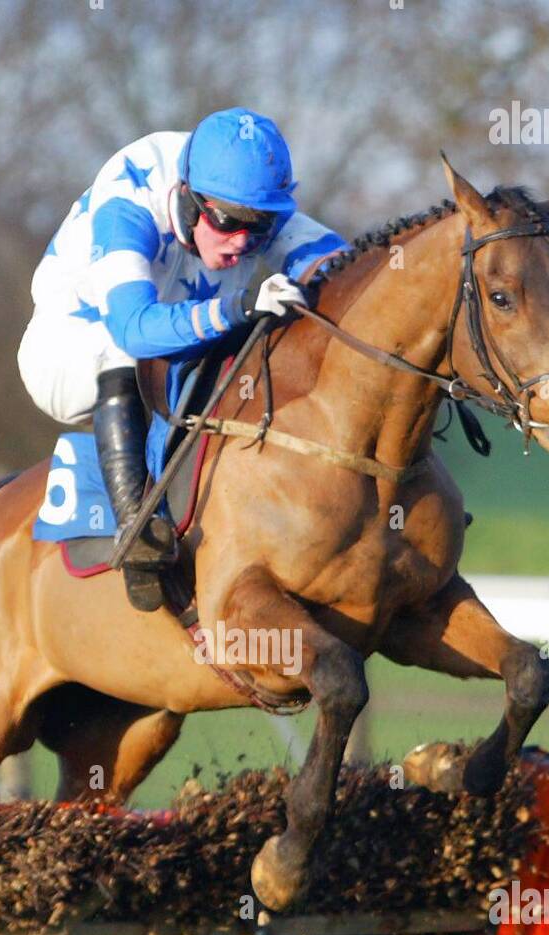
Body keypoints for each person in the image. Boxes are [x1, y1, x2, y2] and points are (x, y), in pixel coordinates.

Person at [18, 107, 347, 610]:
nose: (243, 242)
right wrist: (238, 306)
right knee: (127, 347)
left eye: (261, 228)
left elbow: (344, 266)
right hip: (69, 352)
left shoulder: (240, 199)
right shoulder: (128, 201)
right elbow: (133, 327)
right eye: (230, 224)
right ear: (189, 200)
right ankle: (138, 534)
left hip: (169, 362)